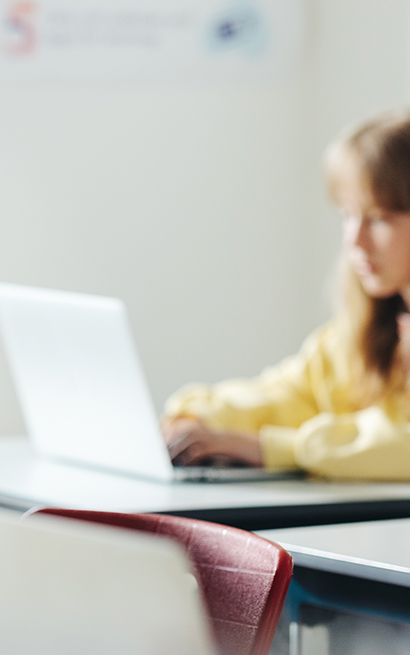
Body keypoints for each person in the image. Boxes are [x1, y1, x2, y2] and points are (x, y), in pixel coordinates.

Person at [164, 109, 410, 479]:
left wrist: (273, 449)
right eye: (347, 215)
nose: (353, 241)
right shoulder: (362, 333)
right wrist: (196, 417)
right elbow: (286, 395)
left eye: (377, 218)